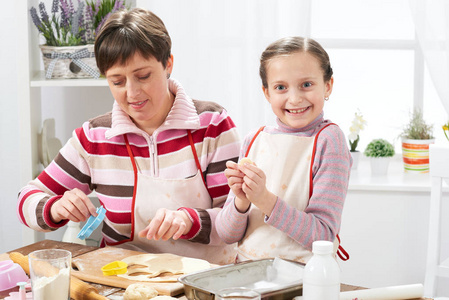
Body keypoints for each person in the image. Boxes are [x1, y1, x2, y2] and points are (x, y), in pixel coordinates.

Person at [17, 8, 240, 265]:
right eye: (117, 81)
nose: (132, 93)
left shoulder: (211, 125)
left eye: (143, 76)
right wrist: (54, 208)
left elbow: (238, 218)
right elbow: (27, 198)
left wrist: (188, 220)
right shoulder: (95, 138)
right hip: (122, 282)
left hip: (205, 281)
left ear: (168, 64)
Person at [216, 36, 352, 264]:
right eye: (281, 87)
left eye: (306, 85)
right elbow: (227, 235)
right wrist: (241, 201)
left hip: (302, 281)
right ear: (267, 92)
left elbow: (323, 237)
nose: (295, 98)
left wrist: (264, 199)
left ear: (327, 85)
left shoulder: (329, 140)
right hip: (246, 278)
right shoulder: (254, 140)